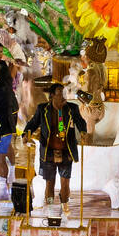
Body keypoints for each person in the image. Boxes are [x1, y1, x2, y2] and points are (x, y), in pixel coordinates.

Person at [24, 80, 87, 214]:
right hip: (48, 152)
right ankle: (51, 206)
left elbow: (81, 122)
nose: (63, 96)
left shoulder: (72, 108)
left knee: (65, 183)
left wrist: (83, 132)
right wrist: (26, 133)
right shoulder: (43, 109)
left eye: (64, 93)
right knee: (49, 183)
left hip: (66, 151)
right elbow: (33, 123)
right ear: (52, 96)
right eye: (60, 94)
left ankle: (65, 204)